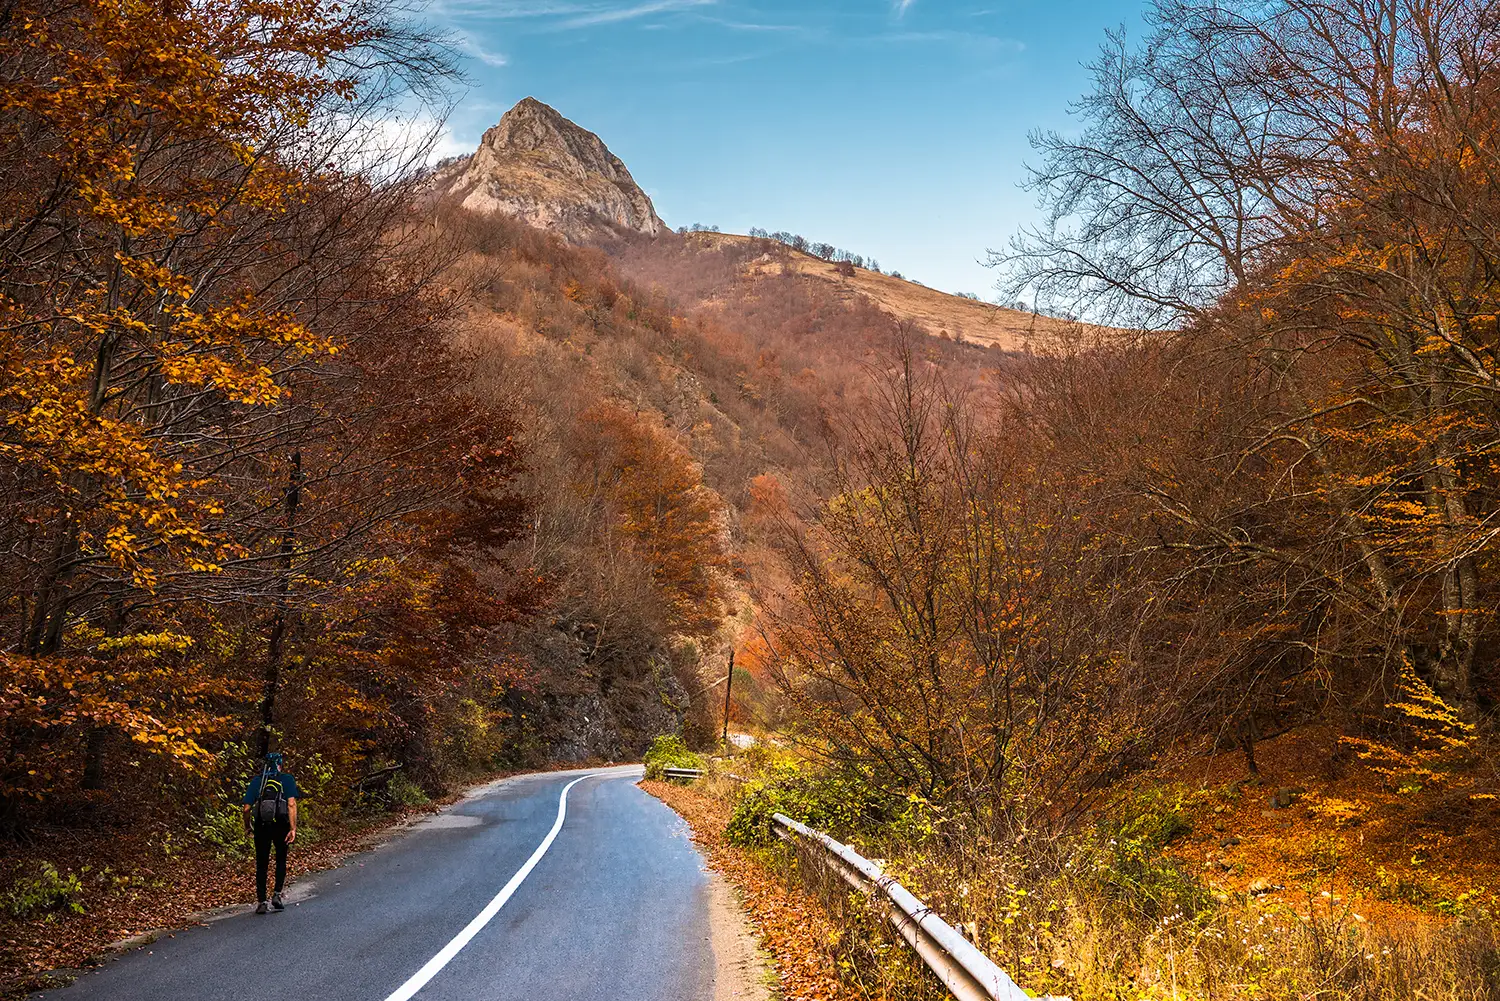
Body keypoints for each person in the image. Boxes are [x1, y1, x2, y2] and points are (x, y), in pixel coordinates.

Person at [241, 752, 300, 914]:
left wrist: (248, 826)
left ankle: (261, 902)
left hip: (261, 825)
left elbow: (246, 808)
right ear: (280, 765)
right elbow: (291, 803)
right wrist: (292, 828)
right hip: (281, 824)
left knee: (262, 863)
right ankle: (276, 895)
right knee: (281, 859)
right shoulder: (286, 779)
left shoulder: (257, 781)